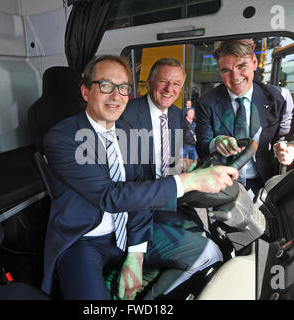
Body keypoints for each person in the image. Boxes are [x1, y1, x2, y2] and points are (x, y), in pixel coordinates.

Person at [41, 55, 238, 300]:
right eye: (105, 85)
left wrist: (136, 254)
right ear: (85, 91)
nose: (116, 95)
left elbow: (139, 190)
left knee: (210, 254)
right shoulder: (62, 137)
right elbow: (110, 196)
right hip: (84, 239)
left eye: (123, 88)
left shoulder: (129, 133)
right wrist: (192, 181)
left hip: (130, 229)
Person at [195, 39, 294, 195]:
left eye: (241, 66)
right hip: (223, 185)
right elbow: (202, 147)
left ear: (254, 63)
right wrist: (215, 143)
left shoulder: (279, 97)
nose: (235, 76)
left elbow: (285, 139)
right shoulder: (206, 102)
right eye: (226, 70)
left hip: (266, 182)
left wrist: (285, 149)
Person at [122, 58, 204, 232]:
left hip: (171, 196)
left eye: (176, 84)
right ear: (150, 83)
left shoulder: (175, 114)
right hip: (141, 204)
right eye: (163, 82)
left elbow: (170, 158)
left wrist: (183, 164)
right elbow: (127, 176)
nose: (169, 89)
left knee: (201, 229)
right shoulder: (126, 115)